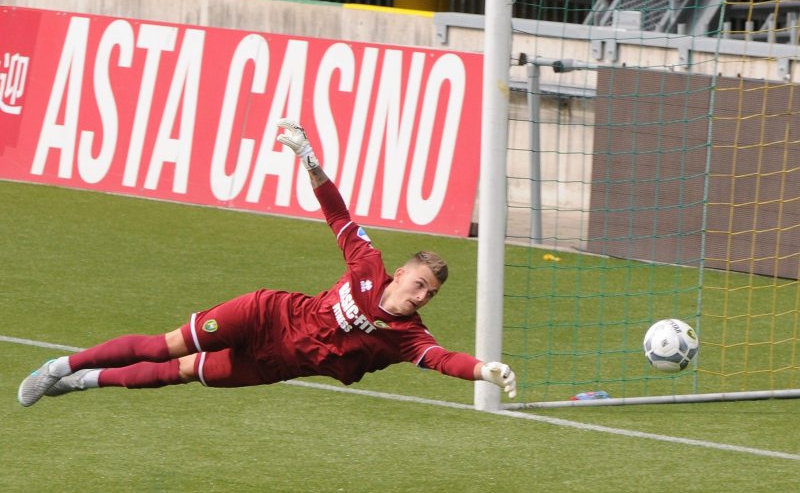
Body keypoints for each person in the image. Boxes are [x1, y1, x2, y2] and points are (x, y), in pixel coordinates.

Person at [17, 119, 516, 407]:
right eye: (421, 284)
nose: (423, 296)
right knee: (162, 345)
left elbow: (445, 361)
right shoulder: (368, 263)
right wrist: (310, 161)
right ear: (402, 273)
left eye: (431, 294)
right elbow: (338, 215)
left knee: (181, 373)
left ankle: (80, 381)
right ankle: (58, 365)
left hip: (273, 362)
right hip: (265, 313)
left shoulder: (410, 338)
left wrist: (482, 370)